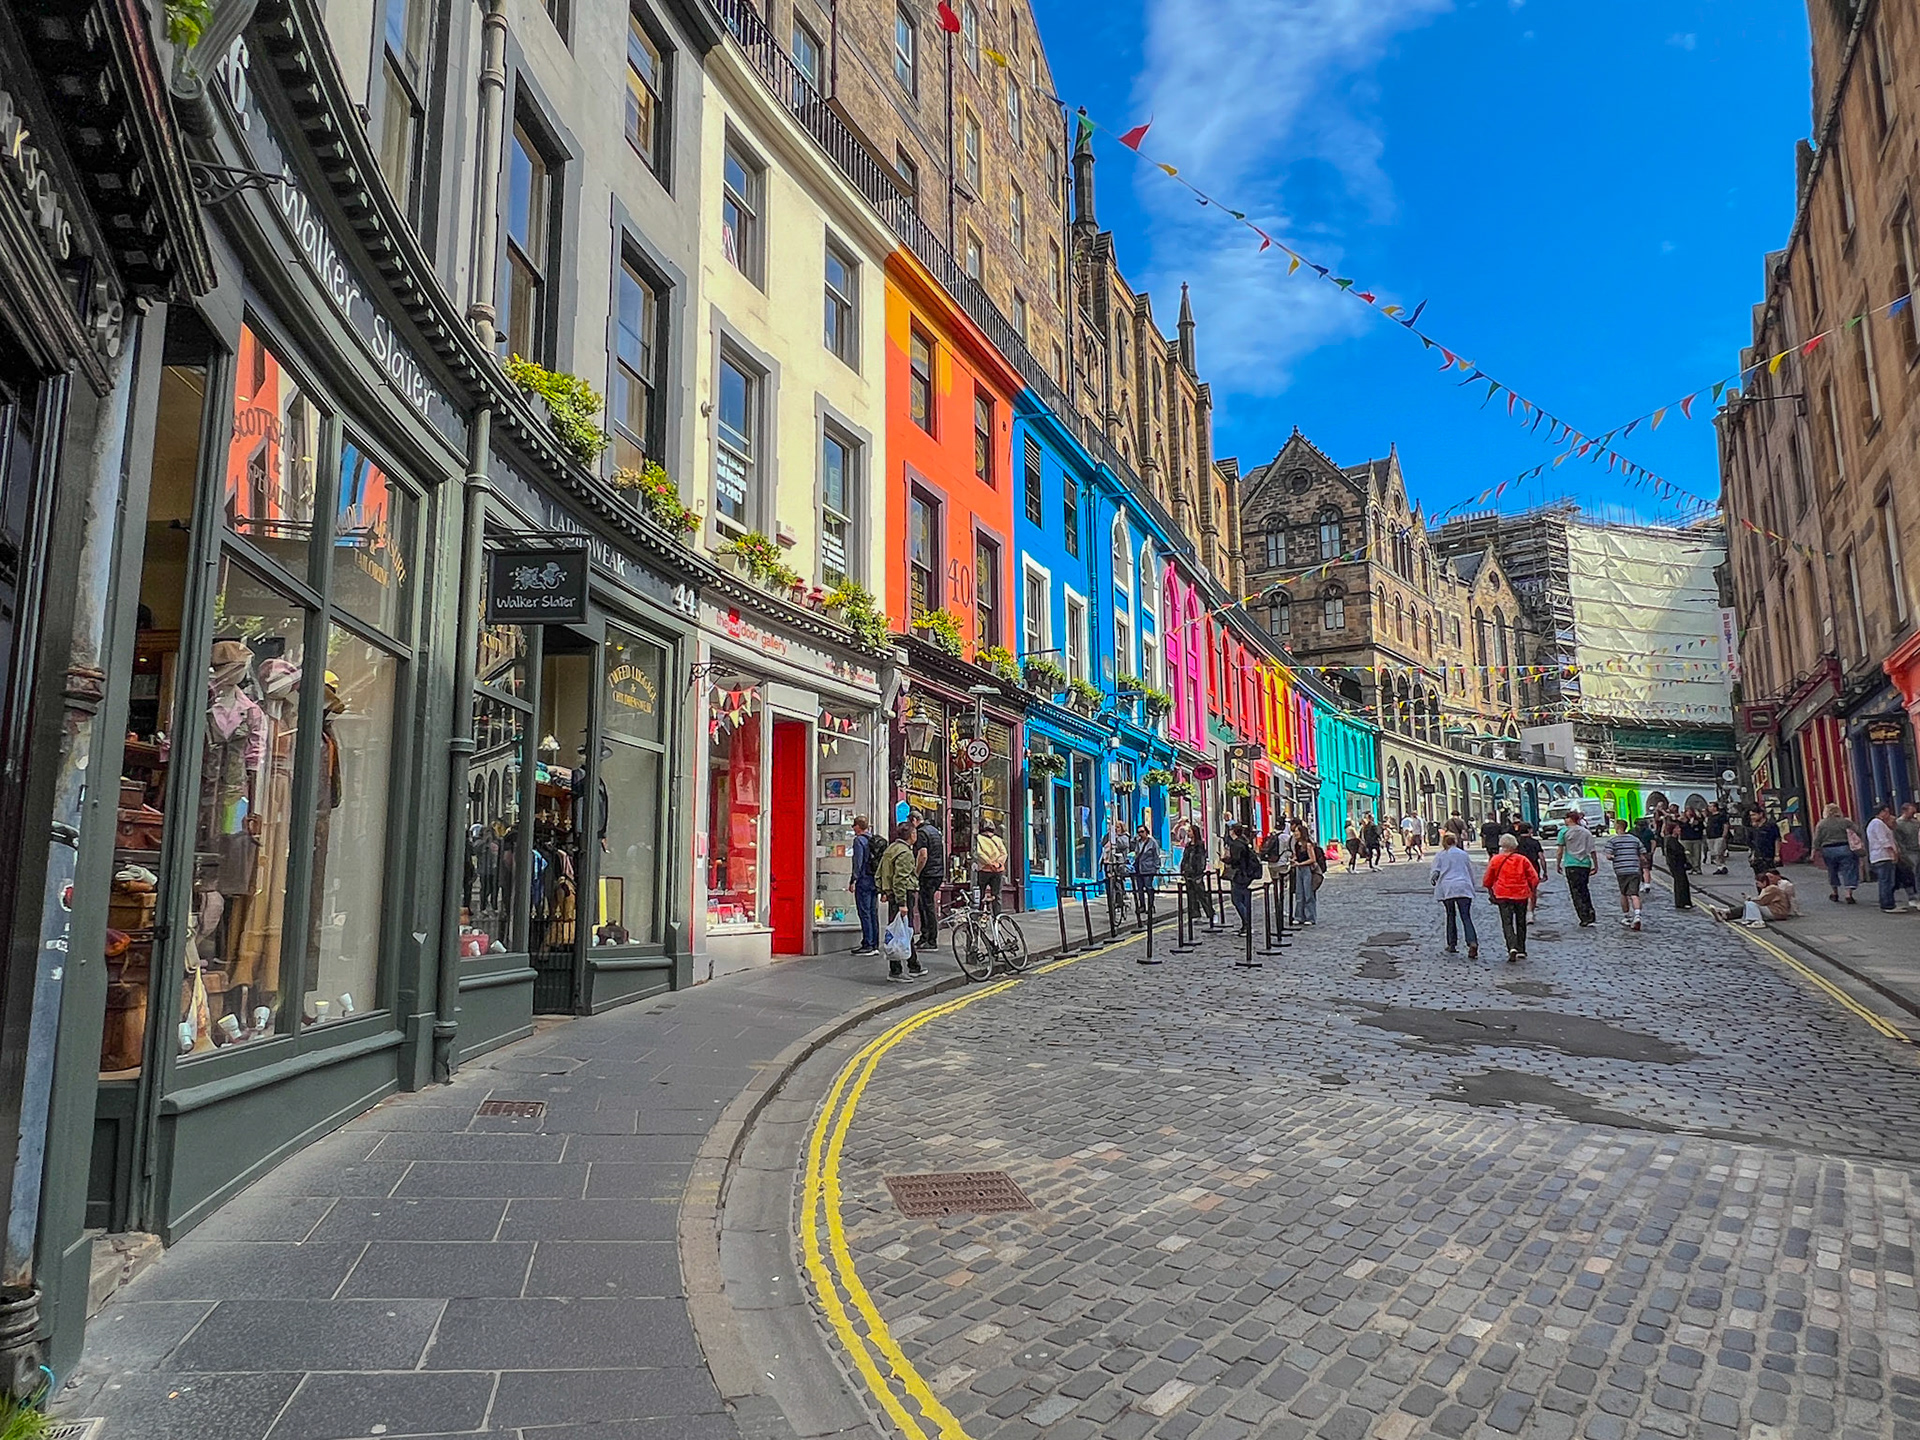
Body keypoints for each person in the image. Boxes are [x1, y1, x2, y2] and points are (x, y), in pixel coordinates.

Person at [878, 822, 927, 981]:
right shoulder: (905, 852)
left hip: (893, 894)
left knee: (899, 931)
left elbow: (881, 872)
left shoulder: (891, 848)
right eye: (915, 833)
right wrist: (902, 903)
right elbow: (900, 879)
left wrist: (884, 891)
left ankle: (913, 965)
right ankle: (897, 970)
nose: (916, 836)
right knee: (903, 932)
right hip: (903, 894)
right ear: (912, 835)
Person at [1483, 833, 1541, 962]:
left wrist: (1489, 888)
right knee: (1521, 922)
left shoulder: (1496, 860)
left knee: (1507, 922)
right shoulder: (1522, 859)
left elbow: (1488, 879)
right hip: (1521, 894)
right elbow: (1534, 878)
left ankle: (1511, 946)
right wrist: (1531, 888)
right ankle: (1521, 948)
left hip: (1503, 894)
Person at [1429, 831, 1480, 958]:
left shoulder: (1441, 855)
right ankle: (1472, 941)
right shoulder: (1463, 854)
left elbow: (1435, 871)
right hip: (1463, 886)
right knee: (1466, 916)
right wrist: (1473, 886)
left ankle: (1452, 943)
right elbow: (1470, 871)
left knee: (1450, 915)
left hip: (1448, 887)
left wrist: (1434, 879)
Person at [1811, 800, 1863, 904]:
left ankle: (1834, 892)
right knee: (1849, 869)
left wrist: (1813, 852)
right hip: (1844, 847)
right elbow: (1858, 831)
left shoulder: (1821, 824)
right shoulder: (1845, 821)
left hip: (1828, 849)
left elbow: (1817, 839)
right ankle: (1848, 893)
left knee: (1832, 871)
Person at [1606, 817, 1651, 931]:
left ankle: (1626, 916)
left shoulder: (1613, 841)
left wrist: (1613, 857)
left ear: (1617, 828)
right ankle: (1637, 915)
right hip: (1634, 869)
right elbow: (1643, 854)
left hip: (1621, 870)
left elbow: (1608, 855)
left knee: (1624, 893)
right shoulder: (1634, 840)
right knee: (1634, 894)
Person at [1867, 803, 1914, 912]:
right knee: (1887, 881)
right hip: (1883, 856)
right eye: (1887, 811)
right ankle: (1887, 904)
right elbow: (1884, 840)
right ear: (1882, 812)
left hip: (1881, 856)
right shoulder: (1877, 824)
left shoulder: (1877, 823)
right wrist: (1893, 853)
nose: (1888, 814)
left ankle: (1888, 903)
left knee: (1887, 880)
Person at [1556, 807, 1598, 927]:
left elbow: (1560, 850)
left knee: (1575, 891)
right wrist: (1596, 865)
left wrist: (1558, 864)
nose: (1564, 820)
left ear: (1570, 819)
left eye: (1566, 818)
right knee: (1584, 889)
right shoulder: (1586, 832)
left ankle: (1583, 916)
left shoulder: (1564, 832)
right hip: (1585, 864)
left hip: (1571, 864)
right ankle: (1590, 912)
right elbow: (1592, 850)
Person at [848, 815, 880, 955]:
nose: (853, 829)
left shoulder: (859, 841)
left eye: (854, 826)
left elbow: (858, 862)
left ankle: (868, 943)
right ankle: (874, 943)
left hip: (863, 880)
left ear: (857, 826)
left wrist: (853, 880)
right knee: (873, 912)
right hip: (874, 879)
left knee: (864, 912)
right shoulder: (873, 839)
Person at [914, 812, 945, 948]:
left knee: (926, 906)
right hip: (937, 872)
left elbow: (923, 855)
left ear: (915, 820)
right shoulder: (935, 831)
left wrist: (916, 872)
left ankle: (929, 938)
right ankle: (928, 937)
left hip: (927, 874)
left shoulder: (921, 833)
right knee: (928, 905)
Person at [1224, 823, 1260, 934]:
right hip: (1247, 874)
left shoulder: (1236, 844)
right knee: (1243, 900)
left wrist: (1226, 859)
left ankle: (1247, 924)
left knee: (1236, 900)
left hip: (1240, 875)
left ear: (1233, 831)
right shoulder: (1244, 841)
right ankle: (1245, 925)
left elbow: (1236, 860)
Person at [1179, 820, 1215, 924]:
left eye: (1189, 831)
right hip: (1188, 873)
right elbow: (1185, 858)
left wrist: (1199, 871)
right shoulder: (1188, 845)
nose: (1188, 833)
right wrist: (1183, 869)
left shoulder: (1199, 845)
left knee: (1202, 895)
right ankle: (1195, 915)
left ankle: (1211, 914)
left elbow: (1201, 860)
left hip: (1197, 874)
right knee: (1191, 896)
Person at [974, 819, 1008, 915]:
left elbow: (979, 854)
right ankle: (997, 918)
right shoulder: (997, 839)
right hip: (998, 870)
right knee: (996, 895)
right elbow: (1004, 853)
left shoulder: (978, 838)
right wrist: (998, 864)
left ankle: (980, 916)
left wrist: (989, 863)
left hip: (984, 870)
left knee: (981, 893)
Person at [1513, 822, 1545, 917]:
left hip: (1518, 869)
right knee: (1533, 891)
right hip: (1533, 868)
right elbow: (1541, 857)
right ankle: (1531, 911)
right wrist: (1545, 871)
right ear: (1529, 830)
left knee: (1519, 889)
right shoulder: (1535, 842)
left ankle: (1522, 909)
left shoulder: (1515, 842)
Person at [1661, 820, 1693, 910]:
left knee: (1683, 883)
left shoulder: (1674, 840)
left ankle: (1686, 902)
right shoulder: (1671, 840)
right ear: (1673, 830)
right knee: (1680, 883)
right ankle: (1681, 902)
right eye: (1677, 828)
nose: (1679, 829)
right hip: (1677, 865)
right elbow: (1675, 853)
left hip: (1679, 865)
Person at [1133, 824, 1161, 921]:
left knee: (1148, 887)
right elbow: (1136, 852)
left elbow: (1156, 855)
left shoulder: (1152, 842)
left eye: (1142, 832)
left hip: (1149, 868)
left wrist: (1156, 868)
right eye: (1138, 832)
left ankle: (1150, 906)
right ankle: (1142, 906)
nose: (1140, 834)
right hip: (1139, 868)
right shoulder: (1138, 842)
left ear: (1146, 832)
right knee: (1140, 888)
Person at [1747, 807, 1780, 885]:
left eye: (1754, 815)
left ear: (1761, 814)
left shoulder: (1771, 825)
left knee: (1769, 877)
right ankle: (1762, 895)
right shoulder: (1753, 827)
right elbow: (1752, 843)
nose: (1752, 817)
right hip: (1757, 857)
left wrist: (1777, 854)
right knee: (1759, 879)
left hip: (1768, 855)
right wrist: (1752, 854)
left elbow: (1777, 839)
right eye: (1751, 815)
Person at [1899, 801, 1920, 912]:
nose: (1913, 814)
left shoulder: (1915, 823)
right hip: (1909, 852)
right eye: (1911, 812)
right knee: (1912, 875)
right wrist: (1903, 853)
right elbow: (1899, 840)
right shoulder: (1899, 824)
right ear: (1904, 811)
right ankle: (1913, 897)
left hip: (1917, 849)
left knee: (1917, 875)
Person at [1705, 803, 1730, 874]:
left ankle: (1721, 866)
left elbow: (1725, 825)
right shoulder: (1710, 816)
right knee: (1714, 852)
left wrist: (1724, 834)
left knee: (1718, 852)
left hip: (1718, 836)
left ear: (1715, 807)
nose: (1709, 808)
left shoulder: (1721, 816)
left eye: (1711, 806)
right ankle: (1720, 866)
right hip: (1710, 836)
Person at [1680, 809, 1705, 874]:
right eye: (1687, 812)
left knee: (1697, 854)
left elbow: (1702, 827)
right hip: (1686, 839)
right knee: (1688, 854)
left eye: (1690, 812)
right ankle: (1691, 866)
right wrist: (1687, 823)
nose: (1689, 813)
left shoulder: (1698, 820)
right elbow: (1681, 827)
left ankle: (1697, 868)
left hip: (1696, 839)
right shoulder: (1682, 820)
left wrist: (1696, 824)